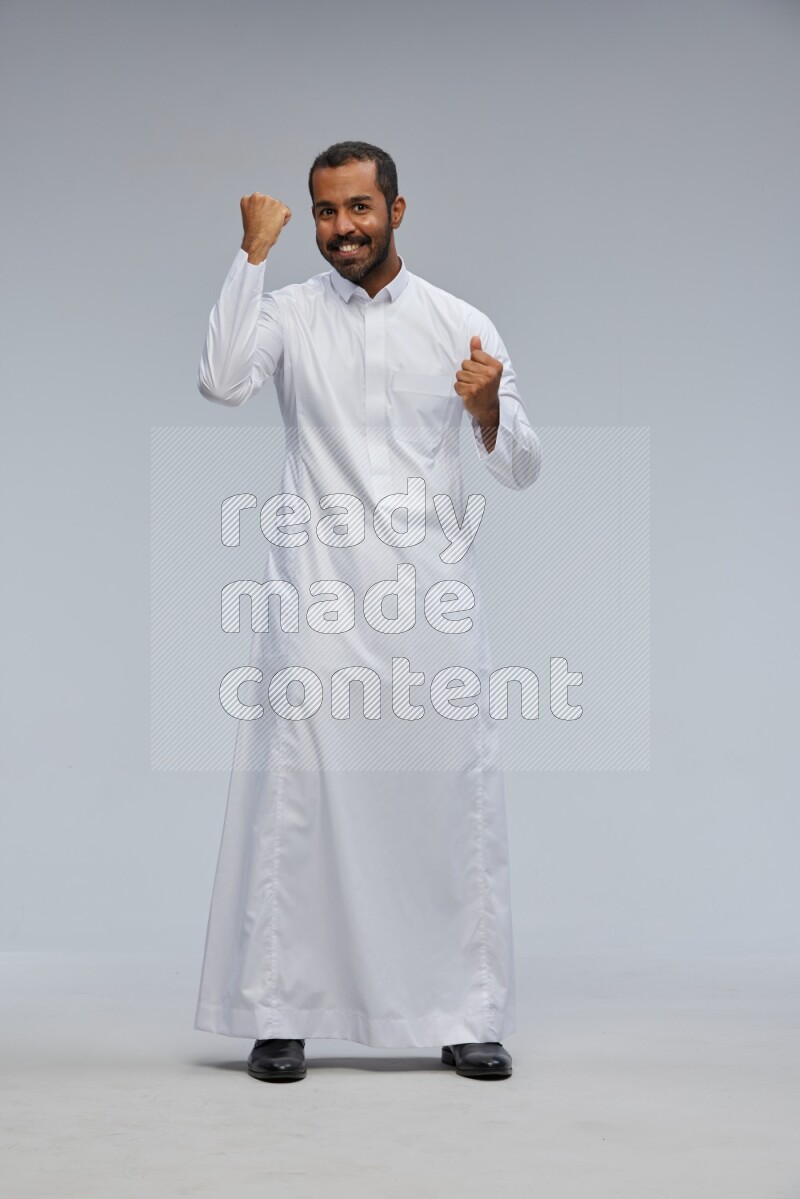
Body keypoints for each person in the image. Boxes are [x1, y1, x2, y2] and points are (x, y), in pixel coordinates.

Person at [194, 140, 542, 1083]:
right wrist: (251, 254)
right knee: (298, 802)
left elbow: (522, 466)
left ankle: (465, 1014)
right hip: (317, 597)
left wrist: (487, 412)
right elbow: (222, 379)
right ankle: (281, 1012)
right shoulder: (288, 313)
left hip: (429, 602)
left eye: (358, 207)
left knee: (447, 801)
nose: (341, 228)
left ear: (396, 209)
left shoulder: (458, 322)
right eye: (324, 211)